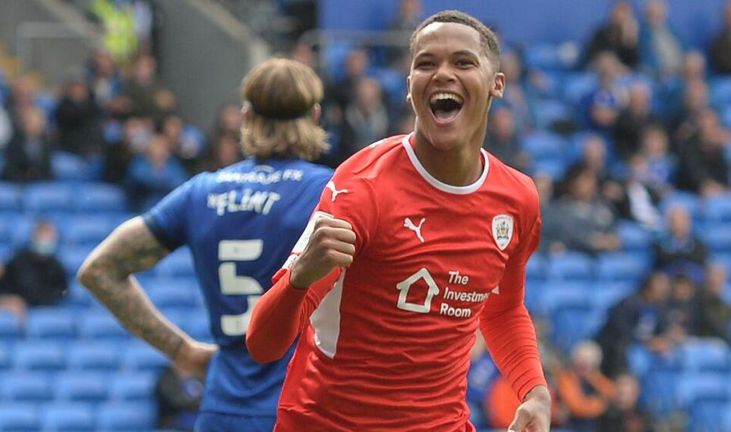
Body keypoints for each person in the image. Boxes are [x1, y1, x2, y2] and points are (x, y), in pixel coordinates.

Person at [246, 10, 551, 432]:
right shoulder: (363, 186)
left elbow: (503, 309)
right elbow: (263, 345)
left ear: (496, 84)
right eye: (426, 63)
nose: (442, 73)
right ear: (410, 88)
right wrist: (299, 277)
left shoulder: (518, 199)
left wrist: (533, 390)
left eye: (463, 62)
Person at [77, 58, 334, 431]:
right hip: (306, 408)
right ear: (315, 115)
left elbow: (98, 269)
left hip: (223, 410)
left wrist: (182, 351)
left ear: (246, 117)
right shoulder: (333, 190)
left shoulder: (202, 192)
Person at [0, 220, 68, 319]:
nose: (46, 242)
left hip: (46, 311)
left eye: (49, 238)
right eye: (43, 237)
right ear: (35, 236)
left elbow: (62, 290)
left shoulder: (56, 265)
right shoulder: (18, 261)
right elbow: (5, 285)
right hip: (20, 309)